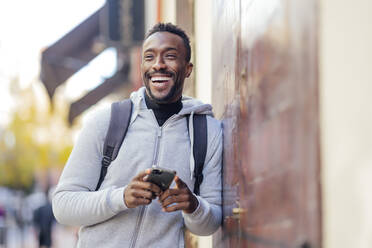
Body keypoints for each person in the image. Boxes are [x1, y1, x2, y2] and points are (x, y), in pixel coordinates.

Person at [52, 22, 222, 248]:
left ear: (188, 68)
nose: (158, 65)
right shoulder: (106, 122)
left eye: (170, 56)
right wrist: (121, 198)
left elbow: (210, 224)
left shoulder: (207, 131)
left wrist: (193, 206)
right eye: (149, 57)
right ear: (141, 65)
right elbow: (63, 206)